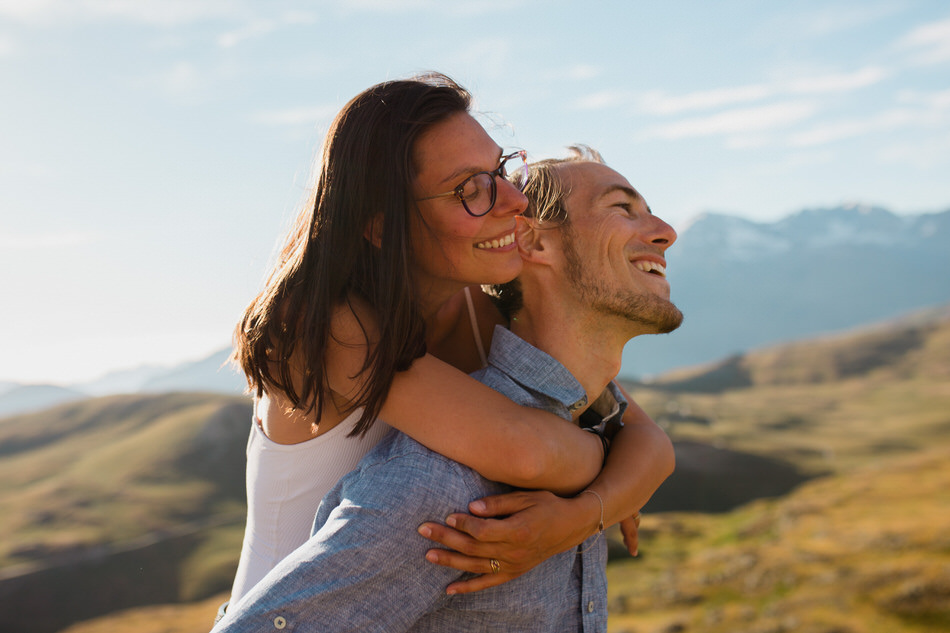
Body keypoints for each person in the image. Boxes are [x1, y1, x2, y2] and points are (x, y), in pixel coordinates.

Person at [224, 73, 674, 610]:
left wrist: (579, 516)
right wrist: (596, 457)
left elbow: (649, 442)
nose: (512, 200)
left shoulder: (478, 306)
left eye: (502, 171)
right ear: (383, 226)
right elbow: (530, 452)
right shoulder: (324, 326)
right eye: (470, 190)